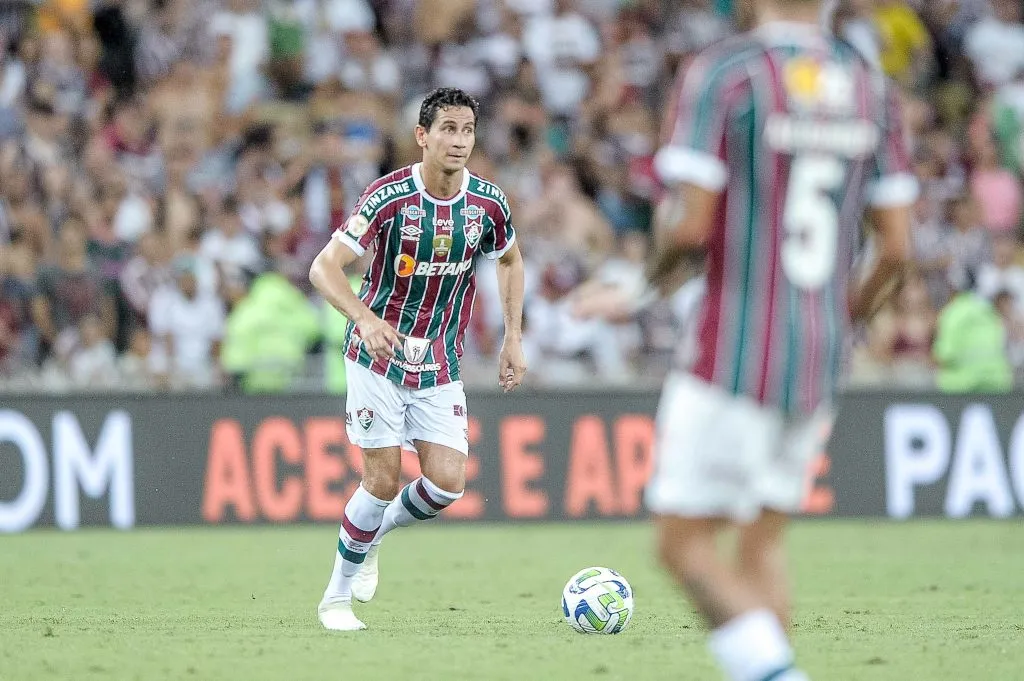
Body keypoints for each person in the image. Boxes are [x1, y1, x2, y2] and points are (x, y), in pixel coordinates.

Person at [582, 1, 916, 678]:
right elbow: (898, 249)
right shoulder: (869, 85)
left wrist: (637, 292)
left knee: (682, 544)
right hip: (819, 354)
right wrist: (836, 319)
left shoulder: (727, 73)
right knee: (762, 543)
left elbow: (687, 227)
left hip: (735, 346)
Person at [308, 87, 527, 632]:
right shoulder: (387, 198)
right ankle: (335, 598)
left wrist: (512, 337)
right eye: (448, 129)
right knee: (381, 481)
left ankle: (373, 536)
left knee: (448, 484)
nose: (459, 141)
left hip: (440, 361)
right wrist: (364, 317)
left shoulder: (488, 204)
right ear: (422, 136)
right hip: (376, 355)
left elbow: (510, 260)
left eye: (467, 130)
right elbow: (323, 268)